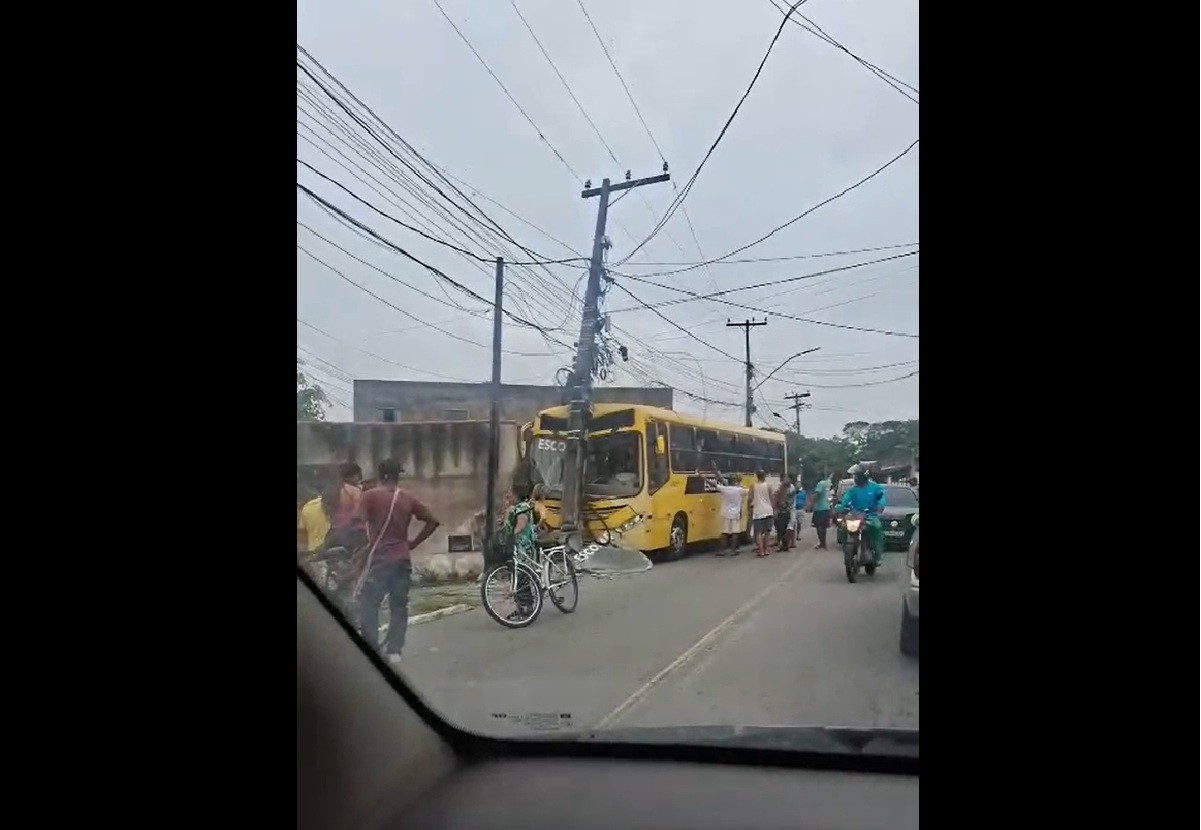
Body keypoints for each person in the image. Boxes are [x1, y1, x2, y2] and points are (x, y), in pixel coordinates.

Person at [352, 458, 440, 666]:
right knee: (399, 605)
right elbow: (433, 521)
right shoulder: (407, 498)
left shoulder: (369, 496)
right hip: (402, 559)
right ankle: (394, 651)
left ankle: (371, 647)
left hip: (380, 560)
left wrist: (363, 549)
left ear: (379, 474)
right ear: (397, 475)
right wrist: (413, 543)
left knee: (368, 603)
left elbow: (356, 523)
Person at [500, 484, 547, 618]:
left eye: (510, 493)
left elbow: (521, 523)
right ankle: (521, 607)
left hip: (522, 546)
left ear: (516, 495)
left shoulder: (522, 507)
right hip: (518, 546)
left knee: (521, 577)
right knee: (517, 576)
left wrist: (512, 535)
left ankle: (527, 607)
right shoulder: (518, 508)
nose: (508, 496)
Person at [834, 466, 887, 567]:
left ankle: (878, 555)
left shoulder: (875, 487)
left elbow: (881, 498)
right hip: (856, 515)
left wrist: (880, 505)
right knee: (843, 527)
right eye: (855, 476)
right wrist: (839, 507)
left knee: (877, 528)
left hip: (871, 515)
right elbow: (845, 500)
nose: (855, 478)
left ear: (863, 477)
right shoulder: (853, 490)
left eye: (856, 476)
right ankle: (847, 550)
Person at [712, 471, 748, 556]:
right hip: (735, 514)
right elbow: (749, 491)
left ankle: (722, 550)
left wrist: (703, 477)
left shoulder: (725, 489)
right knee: (735, 532)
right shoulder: (740, 490)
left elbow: (714, 484)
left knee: (725, 532)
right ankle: (733, 550)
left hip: (726, 514)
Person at [750, 470, 775, 557]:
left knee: (759, 533)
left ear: (757, 476)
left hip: (758, 512)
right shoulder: (769, 486)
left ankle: (761, 551)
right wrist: (774, 509)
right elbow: (772, 499)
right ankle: (767, 549)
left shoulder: (753, 486)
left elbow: (750, 498)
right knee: (767, 532)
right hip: (768, 510)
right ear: (764, 476)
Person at [773, 473, 797, 552]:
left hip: (790, 510)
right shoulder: (780, 488)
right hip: (783, 511)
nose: (787, 480)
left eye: (787, 478)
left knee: (790, 527)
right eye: (785, 479)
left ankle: (786, 544)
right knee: (781, 529)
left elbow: (791, 493)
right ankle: (783, 544)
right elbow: (777, 499)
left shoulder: (791, 488)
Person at [810, 471, 833, 550]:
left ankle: (822, 543)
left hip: (819, 508)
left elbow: (817, 494)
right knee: (824, 527)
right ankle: (824, 543)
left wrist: (811, 504)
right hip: (826, 507)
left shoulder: (820, 484)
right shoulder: (828, 483)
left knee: (818, 526)